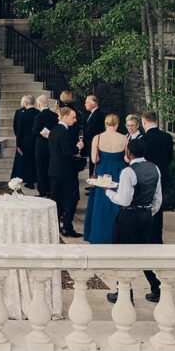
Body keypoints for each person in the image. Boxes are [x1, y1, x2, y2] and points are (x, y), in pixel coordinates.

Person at [104, 138, 163, 303]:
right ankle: (156, 288)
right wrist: (148, 213)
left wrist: (108, 191)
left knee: (122, 254)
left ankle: (123, 292)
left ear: (128, 152)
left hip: (129, 217)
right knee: (144, 253)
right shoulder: (155, 169)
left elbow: (124, 200)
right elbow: (158, 199)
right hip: (146, 216)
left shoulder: (128, 172)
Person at [139, 110, 174, 300]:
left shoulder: (143, 140)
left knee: (149, 204)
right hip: (163, 176)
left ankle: (149, 234)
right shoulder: (167, 137)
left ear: (144, 122)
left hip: (148, 177)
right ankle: (156, 235)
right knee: (159, 206)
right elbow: (169, 158)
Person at [83, 114, 127, 244]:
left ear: (105, 123)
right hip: (118, 171)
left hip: (103, 172)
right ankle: (115, 235)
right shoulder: (124, 138)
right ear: (117, 124)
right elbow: (127, 159)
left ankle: (98, 235)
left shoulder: (98, 137)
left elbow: (94, 159)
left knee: (100, 202)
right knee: (117, 201)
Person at [47, 106, 82, 237]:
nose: (74, 120)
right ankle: (67, 227)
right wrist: (78, 147)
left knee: (56, 199)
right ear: (65, 116)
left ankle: (55, 227)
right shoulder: (64, 132)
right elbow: (67, 152)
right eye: (73, 117)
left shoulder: (54, 130)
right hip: (66, 172)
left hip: (54, 170)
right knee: (71, 199)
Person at [31, 95, 58, 198]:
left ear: (39, 105)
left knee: (41, 170)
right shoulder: (54, 116)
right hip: (51, 146)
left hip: (41, 147)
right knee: (50, 169)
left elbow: (34, 131)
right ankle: (51, 190)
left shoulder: (38, 116)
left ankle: (43, 191)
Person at [11, 95, 37, 188]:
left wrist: (18, 144)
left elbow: (19, 130)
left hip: (26, 142)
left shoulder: (22, 114)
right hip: (36, 142)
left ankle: (30, 182)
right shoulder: (38, 113)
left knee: (28, 163)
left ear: (25, 103)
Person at [83, 95, 106, 175]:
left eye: (87, 102)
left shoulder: (98, 114)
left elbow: (95, 130)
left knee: (94, 163)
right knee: (92, 162)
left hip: (94, 142)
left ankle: (93, 183)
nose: (85, 104)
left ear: (94, 104)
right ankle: (91, 182)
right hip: (90, 142)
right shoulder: (92, 113)